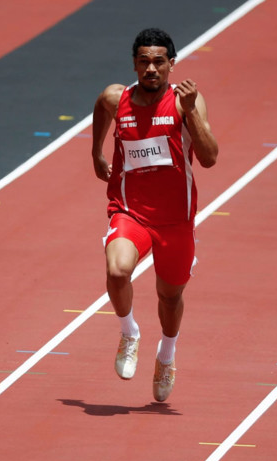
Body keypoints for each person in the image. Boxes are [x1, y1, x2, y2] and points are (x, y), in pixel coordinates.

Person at [91, 28, 218, 402]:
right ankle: (129, 332)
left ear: (171, 65)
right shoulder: (118, 99)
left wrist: (191, 111)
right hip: (130, 212)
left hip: (176, 221)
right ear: (134, 64)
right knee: (116, 270)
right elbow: (100, 104)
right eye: (144, 61)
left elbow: (209, 157)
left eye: (158, 62)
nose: (151, 69)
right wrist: (96, 152)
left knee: (170, 297)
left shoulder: (185, 103)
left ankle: (166, 354)